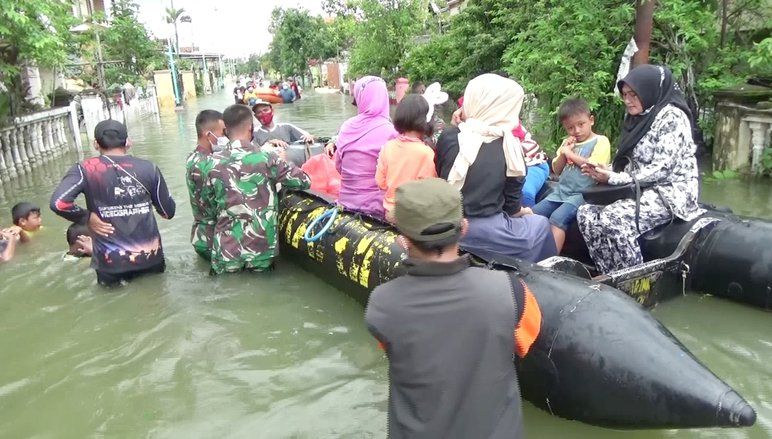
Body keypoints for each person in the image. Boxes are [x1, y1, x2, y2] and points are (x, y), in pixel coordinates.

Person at [365, 178, 541, 439]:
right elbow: (525, 344)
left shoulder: (382, 305)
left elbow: (394, 347)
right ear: (464, 228)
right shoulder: (512, 292)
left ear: (403, 241)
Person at [578, 65, 704, 273]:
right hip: (638, 187)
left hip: (670, 191)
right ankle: (609, 273)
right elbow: (630, 161)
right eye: (625, 95)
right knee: (586, 213)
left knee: (613, 217)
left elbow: (662, 168)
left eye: (633, 95)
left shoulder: (672, 117)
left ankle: (636, 281)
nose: (627, 100)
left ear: (648, 91)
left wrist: (615, 178)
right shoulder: (638, 117)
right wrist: (605, 170)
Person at [435, 73, 556, 263]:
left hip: (445, 225)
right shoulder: (511, 147)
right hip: (485, 230)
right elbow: (512, 207)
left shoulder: (449, 137)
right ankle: (536, 278)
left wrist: (456, 125)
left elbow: (442, 173)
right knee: (539, 223)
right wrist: (526, 212)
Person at [50, 119, 175, 286]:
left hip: (110, 263)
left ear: (96, 144)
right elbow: (168, 213)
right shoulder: (149, 168)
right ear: (128, 142)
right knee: (156, 305)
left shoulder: (84, 169)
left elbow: (59, 203)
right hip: (150, 258)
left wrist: (87, 217)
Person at [205, 104, 311, 274]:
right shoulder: (267, 158)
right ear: (251, 127)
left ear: (225, 129)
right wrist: (284, 160)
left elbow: (208, 207)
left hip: (226, 249)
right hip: (261, 248)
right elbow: (304, 181)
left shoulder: (211, 163)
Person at [533, 98, 610, 252]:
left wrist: (570, 154)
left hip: (584, 194)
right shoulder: (567, 144)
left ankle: (549, 260)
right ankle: (529, 251)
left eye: (581, 124)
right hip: (561, 192)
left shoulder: (600, 141)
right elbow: (556, 169)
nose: (577, 131)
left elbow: (593, 166)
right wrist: (563, 153)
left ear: (591, 120)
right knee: (534, 213)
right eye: (570, 128)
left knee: (557, 218)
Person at [455, 95, 548, 207]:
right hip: (505, 168)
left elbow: (523, 152)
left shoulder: (505, 124)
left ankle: (529, 218)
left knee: (525, 193)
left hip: (531, 164)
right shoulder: (468, 131)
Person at [335, 76, 398, 218]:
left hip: (346, 202)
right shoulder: (391, 131)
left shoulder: (346, 127)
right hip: (375, 207)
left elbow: (339, 166)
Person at [375, 94, 438, 220]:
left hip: (390, 212)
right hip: (414, 217)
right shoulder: (427, 153)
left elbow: (380, 182)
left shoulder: (388, 147)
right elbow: (430, 191)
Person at [186, 110, 226, 260]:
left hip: (203, 236)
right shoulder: (207, 164)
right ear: (208, 135)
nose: (224, 137)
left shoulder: (194, 157)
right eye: (222, 132)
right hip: (213, 239)